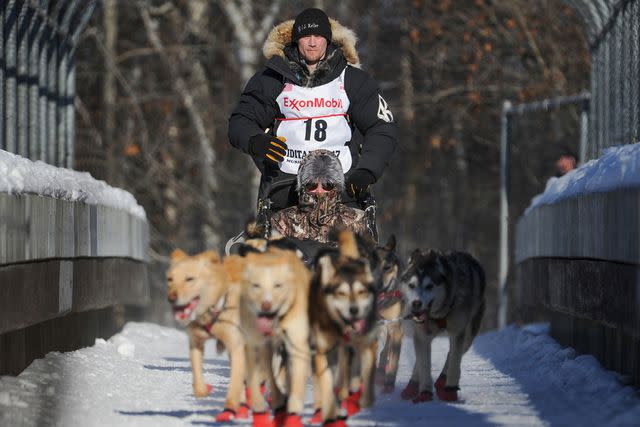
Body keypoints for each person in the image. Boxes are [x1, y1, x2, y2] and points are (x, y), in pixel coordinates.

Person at [228, 7, 398, 213]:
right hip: (285, 188)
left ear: (328, 39)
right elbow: (241, 121)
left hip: (343, 188)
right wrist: (255, 140)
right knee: (282, 245)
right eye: (306, 36)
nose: (312, 42)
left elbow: (382, 127)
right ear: (295, 40)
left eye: (318, 36)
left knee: (351, 244)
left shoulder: (353, 80)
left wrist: (367, 171)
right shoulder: (272, 79)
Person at [270, 149, 369, 243]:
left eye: (327, 185)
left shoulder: (356, 219)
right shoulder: (283, 220)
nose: (319, 191)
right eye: (312, 185)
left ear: (336, 187)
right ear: (303, 187)